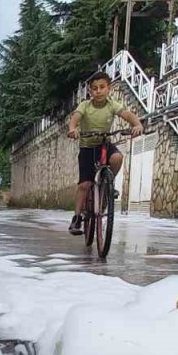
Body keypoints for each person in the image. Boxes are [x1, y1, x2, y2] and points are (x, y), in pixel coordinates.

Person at [66, 72, 144, 235]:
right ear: (90, 91)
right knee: (84, 185)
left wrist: (137, 124)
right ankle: (77, 218)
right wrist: (73, 129)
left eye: (102, 87)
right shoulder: (85, 106)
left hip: (104, 144)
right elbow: (75, 118)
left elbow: (127, 115)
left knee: (117, 157)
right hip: (87, 147)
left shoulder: (112, 105)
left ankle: (108, 183)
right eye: (94, 88)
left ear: (109, 88)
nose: (98, 91)